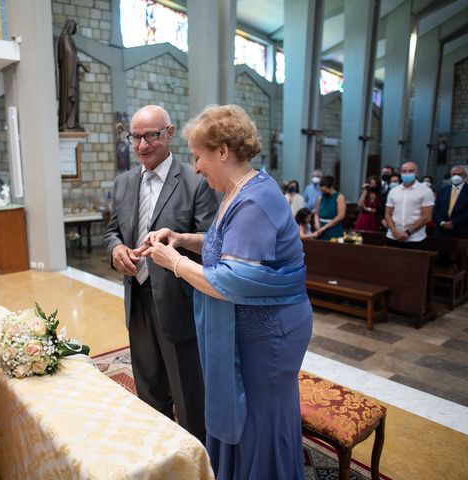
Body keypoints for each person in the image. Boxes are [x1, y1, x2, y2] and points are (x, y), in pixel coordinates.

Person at [139, 105, 312, 479]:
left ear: (222, 152)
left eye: (198, 157)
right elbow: (224, 246)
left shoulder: (254, 201)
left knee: (259, 419)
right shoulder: (239, 191)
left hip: (269, 334)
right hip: (253, 325)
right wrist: (183, 239)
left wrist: (175, 263)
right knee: (245, 415)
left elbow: (232, 279)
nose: (196, 167)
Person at [103, 105, 217, 441]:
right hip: (136, 296)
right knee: (148, 383)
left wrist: (178, 246)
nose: (141, 145)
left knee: (188, 391)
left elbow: (212, 242)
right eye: (135, 137)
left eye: (151, 135)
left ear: (169, 133)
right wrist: (115, 250)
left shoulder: (196, 182)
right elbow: (112, 232)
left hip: (178, 301)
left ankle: (197, 454)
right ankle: (162, 449)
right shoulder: (123, 182)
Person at [385, 161, 434, 249]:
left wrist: (408, 232)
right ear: (401, 173)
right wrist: (394, 231)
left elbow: (427, 216)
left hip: (415, 238)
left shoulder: (425, 191)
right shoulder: (393, 191)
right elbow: (388, 214)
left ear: (416, 173)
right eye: (404, 171)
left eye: (411, 171)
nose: (407, 173)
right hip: (393, 236)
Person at [56, 19, 88, 131]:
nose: (76, 29)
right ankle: (68, 123)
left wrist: (78, 63)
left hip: (71, 72)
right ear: (71, 26)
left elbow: (71, 55)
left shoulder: (66, 38)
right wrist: (78, 62)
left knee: (73, 98)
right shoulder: (65, 38)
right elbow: (69, 55)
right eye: (75, 27)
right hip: (69, 76)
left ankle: (72, 122)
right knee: (70, 96)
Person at [433, 165, 468, 238]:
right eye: (454, 174)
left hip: (461, 231)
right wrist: (442, 222)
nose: (456, 176)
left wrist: (453, 223)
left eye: (459, 174)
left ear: (465, 176)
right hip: (441, 231)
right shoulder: (443, 190)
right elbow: (435, 210)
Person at [314, 175, 346, 240]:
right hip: (320, 229)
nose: (323, 193)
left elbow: (341, 216)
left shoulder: (339, 197)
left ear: (331, 187)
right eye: (321, 191)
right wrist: (317, 223)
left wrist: (325, 227)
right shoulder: (320, 198)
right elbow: (316, 214)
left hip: (333, 228)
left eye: (325, 191)